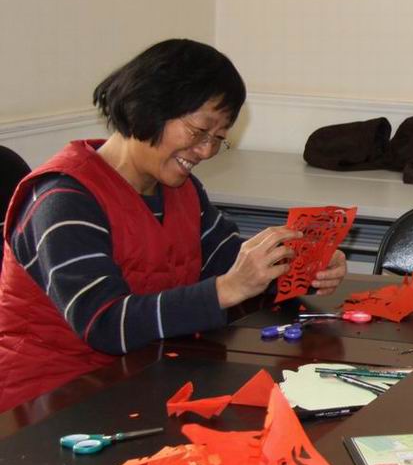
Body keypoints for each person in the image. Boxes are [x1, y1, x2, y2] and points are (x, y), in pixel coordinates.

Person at [0, 39, 347, 412]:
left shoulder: (180, 190)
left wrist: (303, 265)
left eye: (218, 139)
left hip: (138, 380)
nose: (206, 151)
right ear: (148, 106)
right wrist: (228, 288)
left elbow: (229, 260)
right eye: (199, 132)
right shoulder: (62, 200)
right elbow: (105, 324)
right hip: (50, 404)